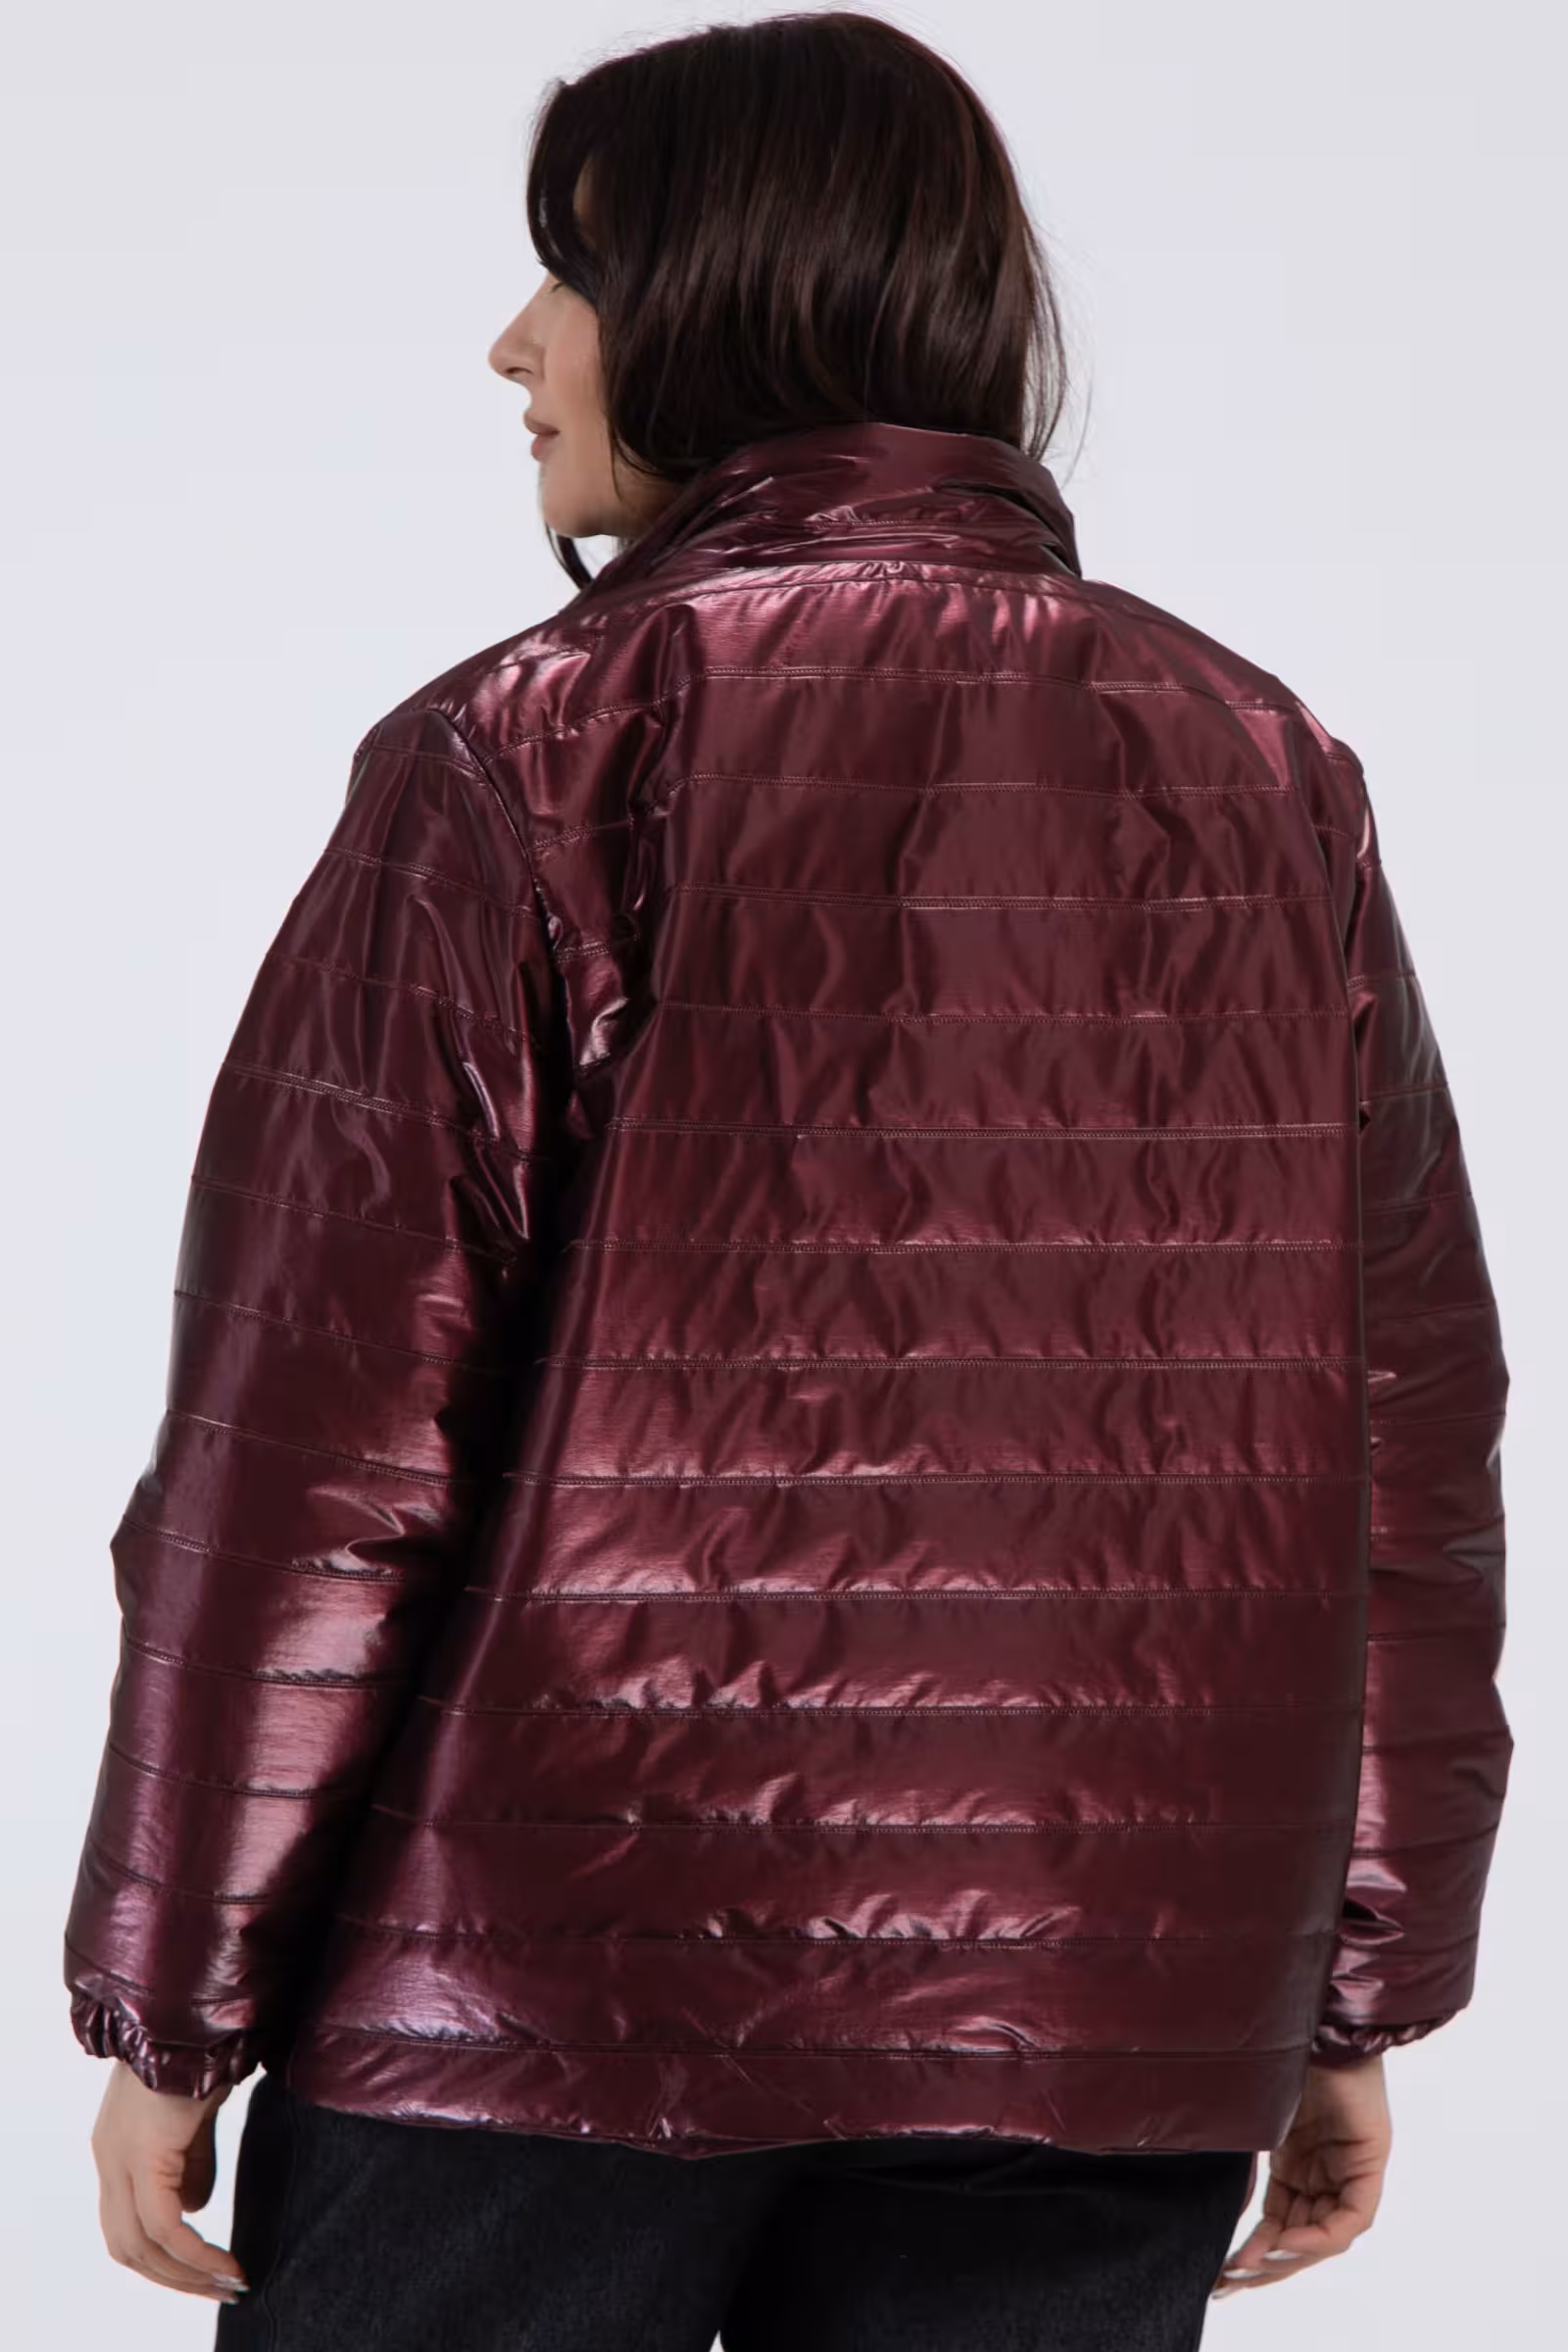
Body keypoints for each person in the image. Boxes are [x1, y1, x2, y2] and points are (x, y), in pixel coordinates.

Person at [64, 13, 1512, 2349]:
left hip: (535, 1996)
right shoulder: (1261, 765)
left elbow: (317, 1438)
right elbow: (1397, 1440)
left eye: (571, 272)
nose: (514, 342)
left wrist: (176, 1989)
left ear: (723, 294)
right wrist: (1352, 1972)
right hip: (1099, 2001)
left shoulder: (524, 749)